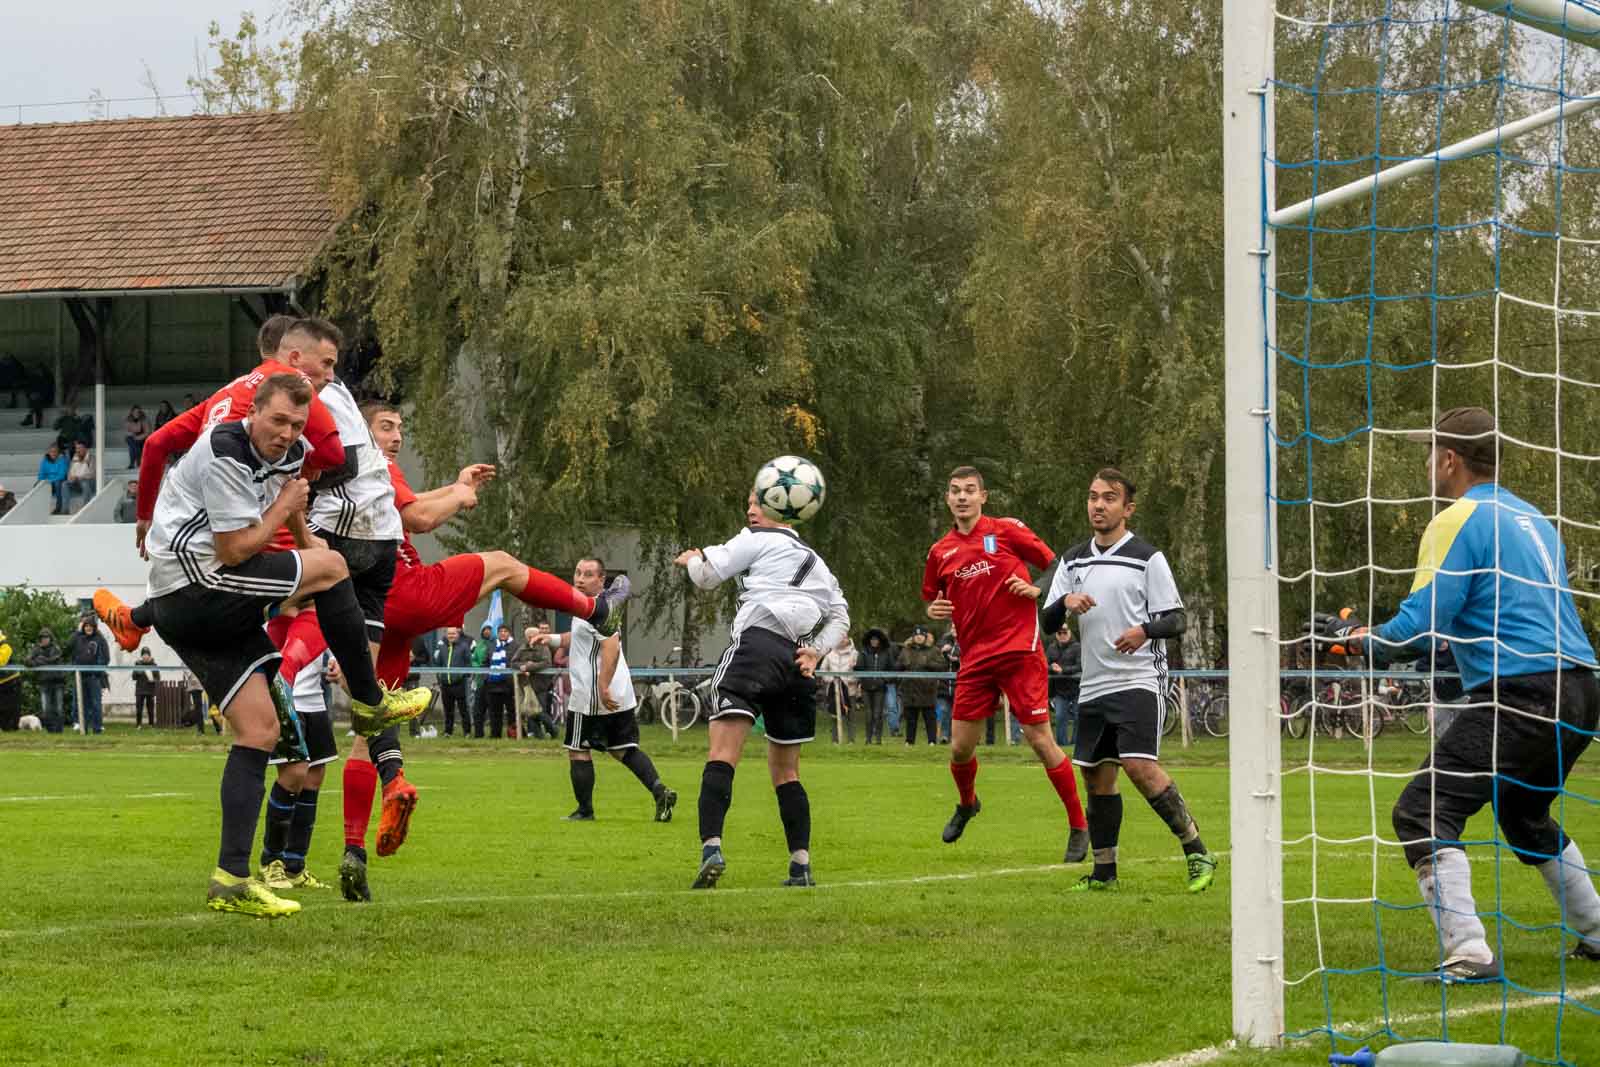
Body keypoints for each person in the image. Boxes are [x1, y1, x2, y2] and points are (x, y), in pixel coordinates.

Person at [265, 399, 629, 901]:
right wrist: (458, 496)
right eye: (386, 427)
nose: (395, 437)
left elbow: (406, 509)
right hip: (401, 593)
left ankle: (354, 851)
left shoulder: (348, 481)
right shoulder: (370, 465)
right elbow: (418, 517)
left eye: (399, 428)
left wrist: (455, 486)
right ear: (358, 432)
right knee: (501, 563)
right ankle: (594, 609)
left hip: (368, 612)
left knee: (366, 729)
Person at [1312, 407, 1600, 979]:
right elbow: (1482, 624)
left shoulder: (1455, 520)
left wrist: (1352, 639)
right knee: (1523, 816)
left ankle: (1468, 950)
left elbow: (1415, 629)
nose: (1426, 464)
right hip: (1581, 692)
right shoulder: (1534, 520)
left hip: (1522, 695)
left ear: (1448, 460)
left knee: (1421, 810)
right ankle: (1595, 931)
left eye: (1429, 453)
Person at [135, 372, 432, 918]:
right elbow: (232, 549)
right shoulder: (226, 448)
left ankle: (230, 879)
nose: (286, 432)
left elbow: (300, 537)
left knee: (260, 730)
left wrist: (312, 566)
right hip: (195, 583)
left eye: (296, 424)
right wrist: (308, 547)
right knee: (332, 567)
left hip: (196, 600)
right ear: (253, 412)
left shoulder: (291, 455)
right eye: (277, 420)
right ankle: (369, 703)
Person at [1040, 467, 1215, 893]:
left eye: (1109, 498)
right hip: (1094, 683)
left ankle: (1197, 851)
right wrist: (1065, 600)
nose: (1098, 505)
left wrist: (1143, 631)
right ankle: (1104, 874)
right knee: (1098, 776)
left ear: (1127, 508)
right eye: (1093, 496)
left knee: (1138, 765)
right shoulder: (1073, 559)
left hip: (1139, 677)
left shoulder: (1146, 557)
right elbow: (1047, 621)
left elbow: (1175, 619)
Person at [675, 491, 850, 889]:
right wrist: (816, 652)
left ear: (784, 511)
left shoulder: (755, 539)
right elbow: (841, 616)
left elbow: (706, 576)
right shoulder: (820, 565)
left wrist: (692, 561)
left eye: (758, 503)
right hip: (796, 662)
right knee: (786, 771)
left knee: (722, 754)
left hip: (755, 648)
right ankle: (800, 865)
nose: (750, 510)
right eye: (750, 503)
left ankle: (712, 848)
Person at [922, 465, 1089, 863]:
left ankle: (1079, 826)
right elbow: (932, 597)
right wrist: (934, 609)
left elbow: (1056, 567)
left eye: (969, 490)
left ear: (983, 496)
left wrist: (1036, 589)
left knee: (1040, 741)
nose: (962, 497)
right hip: (975, 659)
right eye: (955, 491)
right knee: (960, 749)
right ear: (948, 499)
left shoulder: (1006, 530)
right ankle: (967, 804)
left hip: (1019, 651)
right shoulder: (940, 551)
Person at [543, 557, 677, 822]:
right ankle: (659, 790)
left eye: (588, 574)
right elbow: (582, 636)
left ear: (601, 580)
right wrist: (552, 639)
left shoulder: (598, 610)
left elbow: (610, 648)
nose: (580, 579)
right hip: (619, 693)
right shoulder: (594, 606)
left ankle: (585, 811)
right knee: (623, 749)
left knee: (578, 748)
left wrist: (602, 686)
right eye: (578, 573)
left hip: (593, 694)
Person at [898, 625, 944, 745]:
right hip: (910, 689)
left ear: (925, 637)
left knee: (930, 717)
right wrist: (901, 665)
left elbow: (942, 666)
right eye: (916, 635)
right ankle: (909, 741)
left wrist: (928, 664)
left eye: (921, 635)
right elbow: (898, 665)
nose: (919, 637)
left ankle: (932, 741)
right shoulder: (906, 650)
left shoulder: (933, 650)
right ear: (913, 637)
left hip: (927, 690)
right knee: (911, 718)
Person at [64, 615, 109, 733]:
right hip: (80, 676)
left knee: (95, 704)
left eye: (90, 626)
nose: (88, 628)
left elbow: (105, 658)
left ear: (94, 627)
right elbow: (67, 647)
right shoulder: (78, 638)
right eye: (86, 626)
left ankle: (97, 728)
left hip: (94, 677)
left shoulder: (100, 639)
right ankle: (81, 726)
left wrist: (97, 670)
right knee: (79, 703)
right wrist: (77, 631)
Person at [514, 623, 559, 739]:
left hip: (541, 684)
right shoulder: (522, 648)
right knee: (530, 712)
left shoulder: (544, 648)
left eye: (534, 635)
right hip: (526, 684)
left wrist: (530, 667)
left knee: (540, 711)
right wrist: (522, 666)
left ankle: (553, 730)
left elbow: (546, 663)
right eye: (530, 635)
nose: (532, 637)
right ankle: (539, 737)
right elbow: (513, 662)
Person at [857, 628, 897, 744]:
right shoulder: (863, 652)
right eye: (872, 639)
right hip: (866, 687)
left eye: (876, 639)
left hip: (880, 687)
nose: (874, 641)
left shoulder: (886, 652)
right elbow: (859, 668)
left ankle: (878, 739)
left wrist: (884, 680)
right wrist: (862, 679)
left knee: (878, 714)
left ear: (880, 641)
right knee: (868, 714)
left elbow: (892, 669)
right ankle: (868, 739)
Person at [1045, 625, 1082, 746]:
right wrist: (1052, 668)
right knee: (1060, 717)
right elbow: (1044, 664)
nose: (1062, 635)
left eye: (1064, 632)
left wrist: (1063, 670)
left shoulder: (1077, 647)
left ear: (1070, 633)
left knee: (1078, 717)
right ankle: (1063, 745)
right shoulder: (1051, 648)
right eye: (1059, 633)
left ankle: (1076, 744)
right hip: (1060, 690)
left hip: (1077, 689)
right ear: (1056, 634)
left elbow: (1080, 665)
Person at [479, 624, 516, 738]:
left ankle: (513, 734)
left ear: (509, 633)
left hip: (509, 685)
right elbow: (484, 664)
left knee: (512, 712)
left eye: (505, 631)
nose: (503, 633)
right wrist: (486, 677)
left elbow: (518, 662)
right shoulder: (491, 646)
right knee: (494, 712)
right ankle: (495, 735)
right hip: (493, 685)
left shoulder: (515, 646)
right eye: (500, 631)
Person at [434, 626, 472, 736]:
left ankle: (467, 732)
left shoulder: (464, 646)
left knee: (463, 709)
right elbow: (438, 664)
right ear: (446, 634)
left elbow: (468, 664)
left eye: (453, 634)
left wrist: (462, 675)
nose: (451, 636)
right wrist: (440, 678)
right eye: (449, 634)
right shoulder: (441, 647)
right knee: (448, 710)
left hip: (460, 683)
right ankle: (448, 732)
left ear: (458, 634)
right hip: (445, 684)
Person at [26, 630, 65, 732]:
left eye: (46, 637)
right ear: (40, 639)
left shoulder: (56, 648)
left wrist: (40, 660)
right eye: (42, 638)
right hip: (44, 682)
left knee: (59, 708)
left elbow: (55, 659)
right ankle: (50, 730)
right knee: (46, 709)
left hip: (57, 681)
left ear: (50, 638)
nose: (45, 640)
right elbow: (27, 661)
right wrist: (39, 661)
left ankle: (59, 730)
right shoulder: (36, 649)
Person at [819, 635, 856, 743]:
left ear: (848, 640)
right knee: (834, 715)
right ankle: (835, 740)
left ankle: (851, 740)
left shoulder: (854, 654)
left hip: (849, 690)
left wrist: (848, 681)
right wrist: (832, 679)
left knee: (850, 715)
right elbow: (822, 670)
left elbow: (858, 671)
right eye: (839, 638)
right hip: (833, 690)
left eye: (844, 638)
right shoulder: (830, 655)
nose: (842, 640)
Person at [131, 647, 161, 728]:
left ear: (149, 655)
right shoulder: (138, 664)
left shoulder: (154, 665)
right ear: (141, 656)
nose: (145, 656)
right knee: (139, 708)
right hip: (140, 690)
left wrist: (153, 680)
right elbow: (133, 677)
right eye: (143, 655)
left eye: (147, 655)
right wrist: (137, 672)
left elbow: (158, 678)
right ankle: (138, 724)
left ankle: (151, 724)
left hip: (150, 690)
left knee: (150, 708)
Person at [38, 444, 69, 515]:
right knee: (37, 485)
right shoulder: (45, 461)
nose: (53, 453)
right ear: (48, 452)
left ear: (58, 452)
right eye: (51, 451)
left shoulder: (62, 460)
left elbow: (62, 475)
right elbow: (41, 474)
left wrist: (50, 481)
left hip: (58, 481)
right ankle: (40, 508)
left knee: (57, 484)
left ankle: (58, 507)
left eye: (55, 451)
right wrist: (42, 481)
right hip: (48, 481)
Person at [0, 628, 20, 731]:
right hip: (2, 682)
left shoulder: (6, 647)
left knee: (11, 707)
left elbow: (1, 661)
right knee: (2, 707)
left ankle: (13, 727)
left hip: (11, 680)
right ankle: (5, 727)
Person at [66, 442, 95, 512]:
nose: (78, 450)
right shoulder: (74, 458)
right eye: (76, 448)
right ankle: (65, 509)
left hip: (88, 482)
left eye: (80, 448)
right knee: (64, 484)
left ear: (85, 449)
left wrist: (81, 477)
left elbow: (93, 474)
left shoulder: (91, 458)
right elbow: (69, 473)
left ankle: (85, 508)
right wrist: (71, 478)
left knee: (84, 483)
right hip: (76, 482)